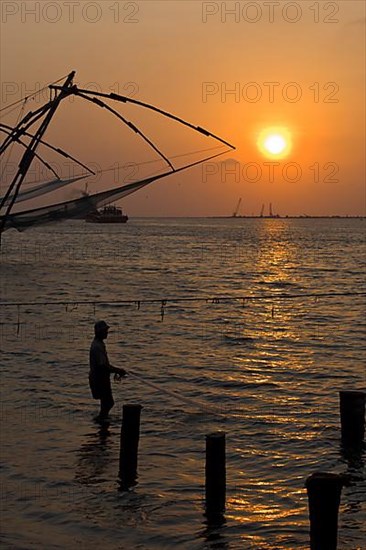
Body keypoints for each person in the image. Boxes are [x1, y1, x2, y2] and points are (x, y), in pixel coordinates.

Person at [89, 320, 127, 421]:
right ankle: (101, 421)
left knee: (106, 403)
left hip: (99, 378)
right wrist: (118, 370)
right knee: (108, 403)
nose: (107, 333)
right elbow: (103, 366)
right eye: (105, 331)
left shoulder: (98, 344)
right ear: (99, 332)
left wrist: (116, 370)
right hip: (99, 380)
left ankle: (102, 423)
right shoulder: (97, 346)